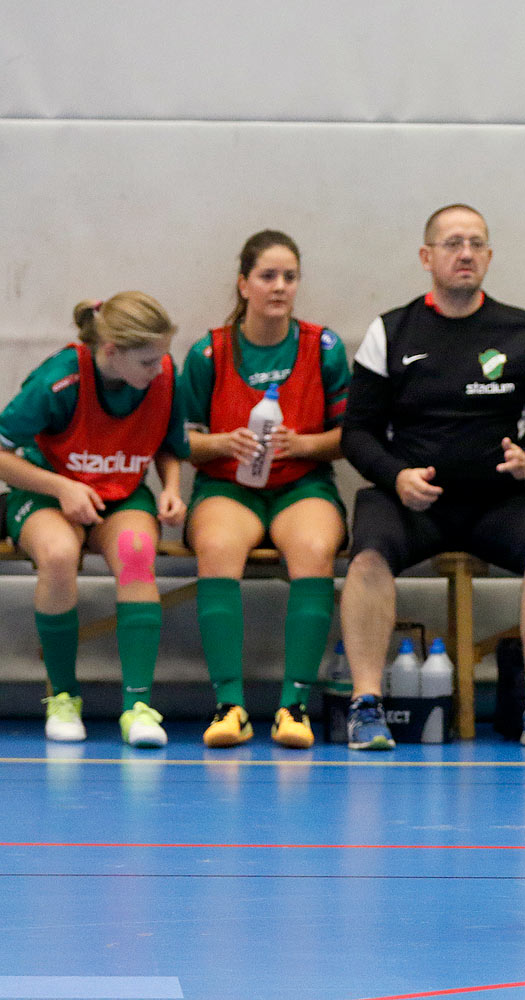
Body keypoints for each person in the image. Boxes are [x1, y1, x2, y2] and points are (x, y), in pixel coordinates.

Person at [340, 204, 525, 751]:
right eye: (451, 243)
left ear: (488, 256)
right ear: (427, 257)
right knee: (368, 554)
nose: (464, 253)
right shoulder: (391, 330)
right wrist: (396, 477)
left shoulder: (522, 329)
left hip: (499, 500)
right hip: (412, 501)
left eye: (475, 243)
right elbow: (357, 433)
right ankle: (366, 704)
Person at [178, 230, 350, 749]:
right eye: (267, 276)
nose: (279, 287)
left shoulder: (324, 347)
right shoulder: (210, 351)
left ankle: (292, 706)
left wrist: (306, 444)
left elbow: (350, 438)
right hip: (229, 486)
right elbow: (181, 441)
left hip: (302, 483)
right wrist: (220, 443)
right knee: (217, 546)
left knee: (316, 549)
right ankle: (229, 705)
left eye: (289, 277)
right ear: (243, 284)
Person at [0, 292, 189, 747]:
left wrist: (171, 489)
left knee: (138, 556)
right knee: (60, 555)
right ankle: (63, 696)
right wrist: (62, 488)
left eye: (162, 357)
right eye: (147, 361)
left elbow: (168, 443)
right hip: (46, 491)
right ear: (110, 352)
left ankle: (138, 706)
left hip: (120, 496)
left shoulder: (161, 377)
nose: (159, 368)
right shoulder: (59, 382)